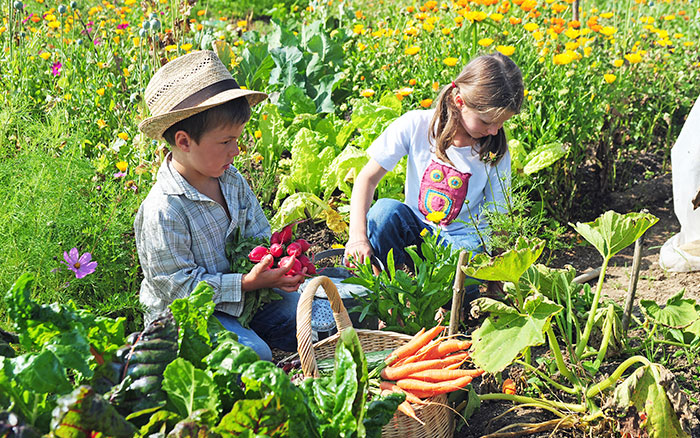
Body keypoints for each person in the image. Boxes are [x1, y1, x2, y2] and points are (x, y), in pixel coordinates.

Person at [134, 50, 306, 361]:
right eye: (226, 142)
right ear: (184, 142)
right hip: (190, 317)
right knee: (253, 358)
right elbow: (179, 290)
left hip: (248, 295)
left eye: (237, 140)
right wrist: (245, 282)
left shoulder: (231, 180)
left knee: (314, 315)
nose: (236, 151)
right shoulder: (164, 209)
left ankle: (267, 334)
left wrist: (276, 264)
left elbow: (258, 232)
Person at [344, 52, 524, 291]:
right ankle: (389, 290)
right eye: (486, 121)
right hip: (417, 231)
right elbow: (367, 179)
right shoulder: (416, 125)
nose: (494, 131)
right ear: (460, 102)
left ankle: (442, 301)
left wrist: (496, 281)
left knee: (465, 264)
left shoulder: (493, 151)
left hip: (461, 245)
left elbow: (500, 218)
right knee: (384, 212)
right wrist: (357, 237)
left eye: (501, 123)